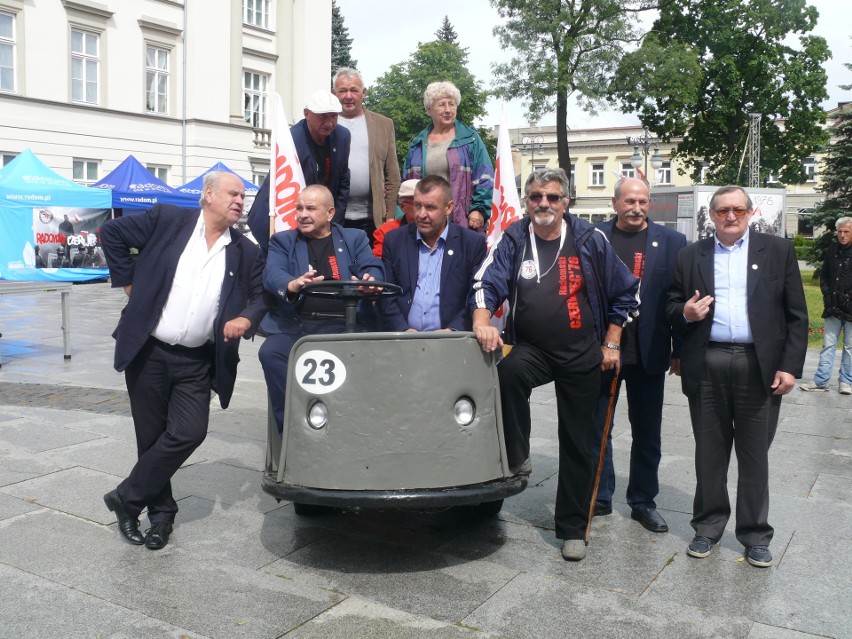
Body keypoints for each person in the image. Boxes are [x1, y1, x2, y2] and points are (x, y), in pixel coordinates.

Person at [471, 168, 640, 561]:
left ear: (566, 201)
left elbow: (627, 292)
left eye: (551, 197)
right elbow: (487, 281)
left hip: (583, 352)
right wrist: (482, 320)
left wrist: (612, 342)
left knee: (579, 442)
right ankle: (518, 453)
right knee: (508, 373)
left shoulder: (587, 237)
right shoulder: (515, 235)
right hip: (534, 347)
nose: (543, 204)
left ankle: (572, 529)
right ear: (527, 200)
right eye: (535, 197)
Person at [100, 171, 265, 550]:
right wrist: (127, 280)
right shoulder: (168, 220)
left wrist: (247, 318)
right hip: (149, 350)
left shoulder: (245, 250)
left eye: (243, 196)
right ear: (208, 195)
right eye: (233, 194)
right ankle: (161, 518)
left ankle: (126, 498)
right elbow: (113, 234)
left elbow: (259, 297)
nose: (240, 201)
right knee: (151, 437)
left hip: (198, 359)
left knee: (190, 431)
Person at [665, 185, 808, 568]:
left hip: (759, 366)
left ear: (750, 214)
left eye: (739, 210)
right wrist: (686, 314)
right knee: (709, 453)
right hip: (707, 363)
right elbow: (671, 304)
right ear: (711, 215)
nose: (731, 216)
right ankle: (708, 527)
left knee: (754, 455)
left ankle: (755, 534)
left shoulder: (777, 252)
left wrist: (790, 367)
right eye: (723, 210)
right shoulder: (691, 255)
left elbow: (797, 315)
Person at [591, 178, 687, 533]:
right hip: (604, 350)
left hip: (650, 351)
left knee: (647, 432)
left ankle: (643, 500)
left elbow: (676, 300)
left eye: (643, 201)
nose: (637, 208)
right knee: (598, 428)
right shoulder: (593, 236)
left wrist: (679, 350)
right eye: (629, 201)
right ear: (615, 203)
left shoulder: (672, 242)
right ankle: (600, 496)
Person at [258, 184, 383, 431]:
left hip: (346, 325)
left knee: (375, 358)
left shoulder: (352, 238)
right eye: (299, 208)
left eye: (310, 208)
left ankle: (351, 429)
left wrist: (370, 280)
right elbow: (273, 274)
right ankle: (293, 428)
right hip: (298, 325)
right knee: (270, 352)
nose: (302, 214)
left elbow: (372, 265)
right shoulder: (283, 241)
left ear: (330, 213)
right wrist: (292, 284)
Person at [248, 90, 351, 252]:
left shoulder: (342, 136)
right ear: (306, 114)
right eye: (323, 116)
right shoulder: (291, 140)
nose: (329, 123)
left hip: (319, 216)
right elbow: (285, 189)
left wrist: (333, 222)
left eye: (334, 116)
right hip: (279, 215)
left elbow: (343, 181)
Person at [381, 175, 486, 332]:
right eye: (417, 206)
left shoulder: (471, 244)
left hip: (451, 342)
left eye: (430, 207)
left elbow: (476, 296)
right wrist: (402, 330)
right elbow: (386, 294)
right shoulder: (394, 241)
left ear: (448, 208)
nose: (421, 214)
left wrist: (453, 330)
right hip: (403, 341)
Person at [402, 81, 494, 236]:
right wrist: (404, 213)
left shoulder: (471, 139)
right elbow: (406, 184)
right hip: (426, 221)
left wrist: (479, 209)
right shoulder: (417, 144)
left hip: (463, 219)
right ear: (429, 109)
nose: (448, 110)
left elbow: (486, 177)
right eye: (441, 105)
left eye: (452, 104)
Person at [332, 67, 401, 242]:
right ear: (334, 93)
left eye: (354, 90)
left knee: (371, 268)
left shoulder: (383, 124)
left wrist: (391, 214)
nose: (348, 96)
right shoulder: (327, 123)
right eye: (343, 91)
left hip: (373, 219)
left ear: (363, 92)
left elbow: (392, 174)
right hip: (334, 217)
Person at [800, 216, 852, 395]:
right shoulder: (832, 249)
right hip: (832, 306)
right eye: (840, 232)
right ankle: (821, 380)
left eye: (847, 231)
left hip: (851, 307)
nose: (843, 235)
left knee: (849, 346)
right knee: (828, 344)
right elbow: (825, 275)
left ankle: (846, 381)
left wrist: (848, 296)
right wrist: (827, 293)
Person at [372, 178, 418, 259]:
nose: (424, 209)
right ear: (402, 207)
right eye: (418, 204)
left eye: (429, 205)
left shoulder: (438, 229)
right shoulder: (386, 231)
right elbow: (378, 263)